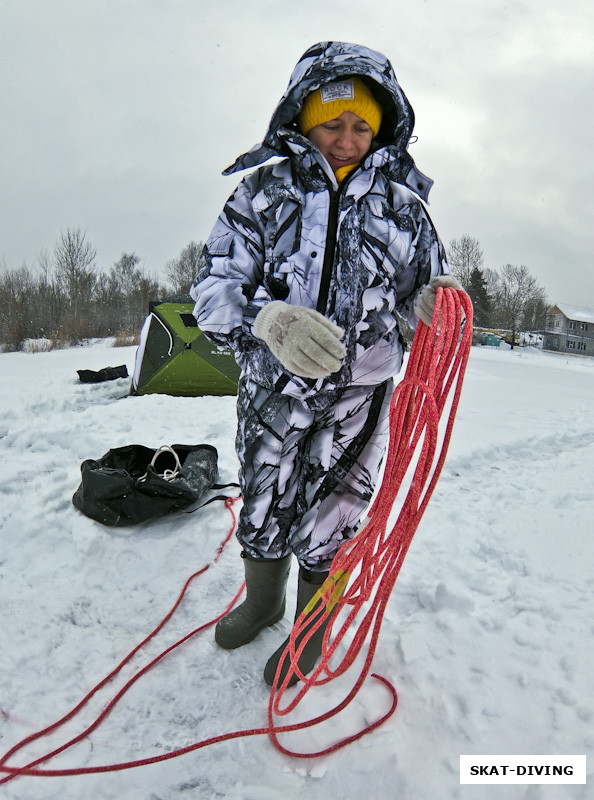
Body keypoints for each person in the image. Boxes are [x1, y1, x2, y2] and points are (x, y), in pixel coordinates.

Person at [190, 40, 458, 687]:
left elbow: (431, 294)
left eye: (362, 125)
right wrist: (265, 317)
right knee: (263, 499)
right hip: (272, 390)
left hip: (359, 397)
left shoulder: (405, 211)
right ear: (303, 117)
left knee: (336, 512)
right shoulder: (261, 194)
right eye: (333, 123)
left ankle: (310, 627)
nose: (347, 139)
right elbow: (212, 289)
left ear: (382, 127)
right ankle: (262, 601)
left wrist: (436, 307)